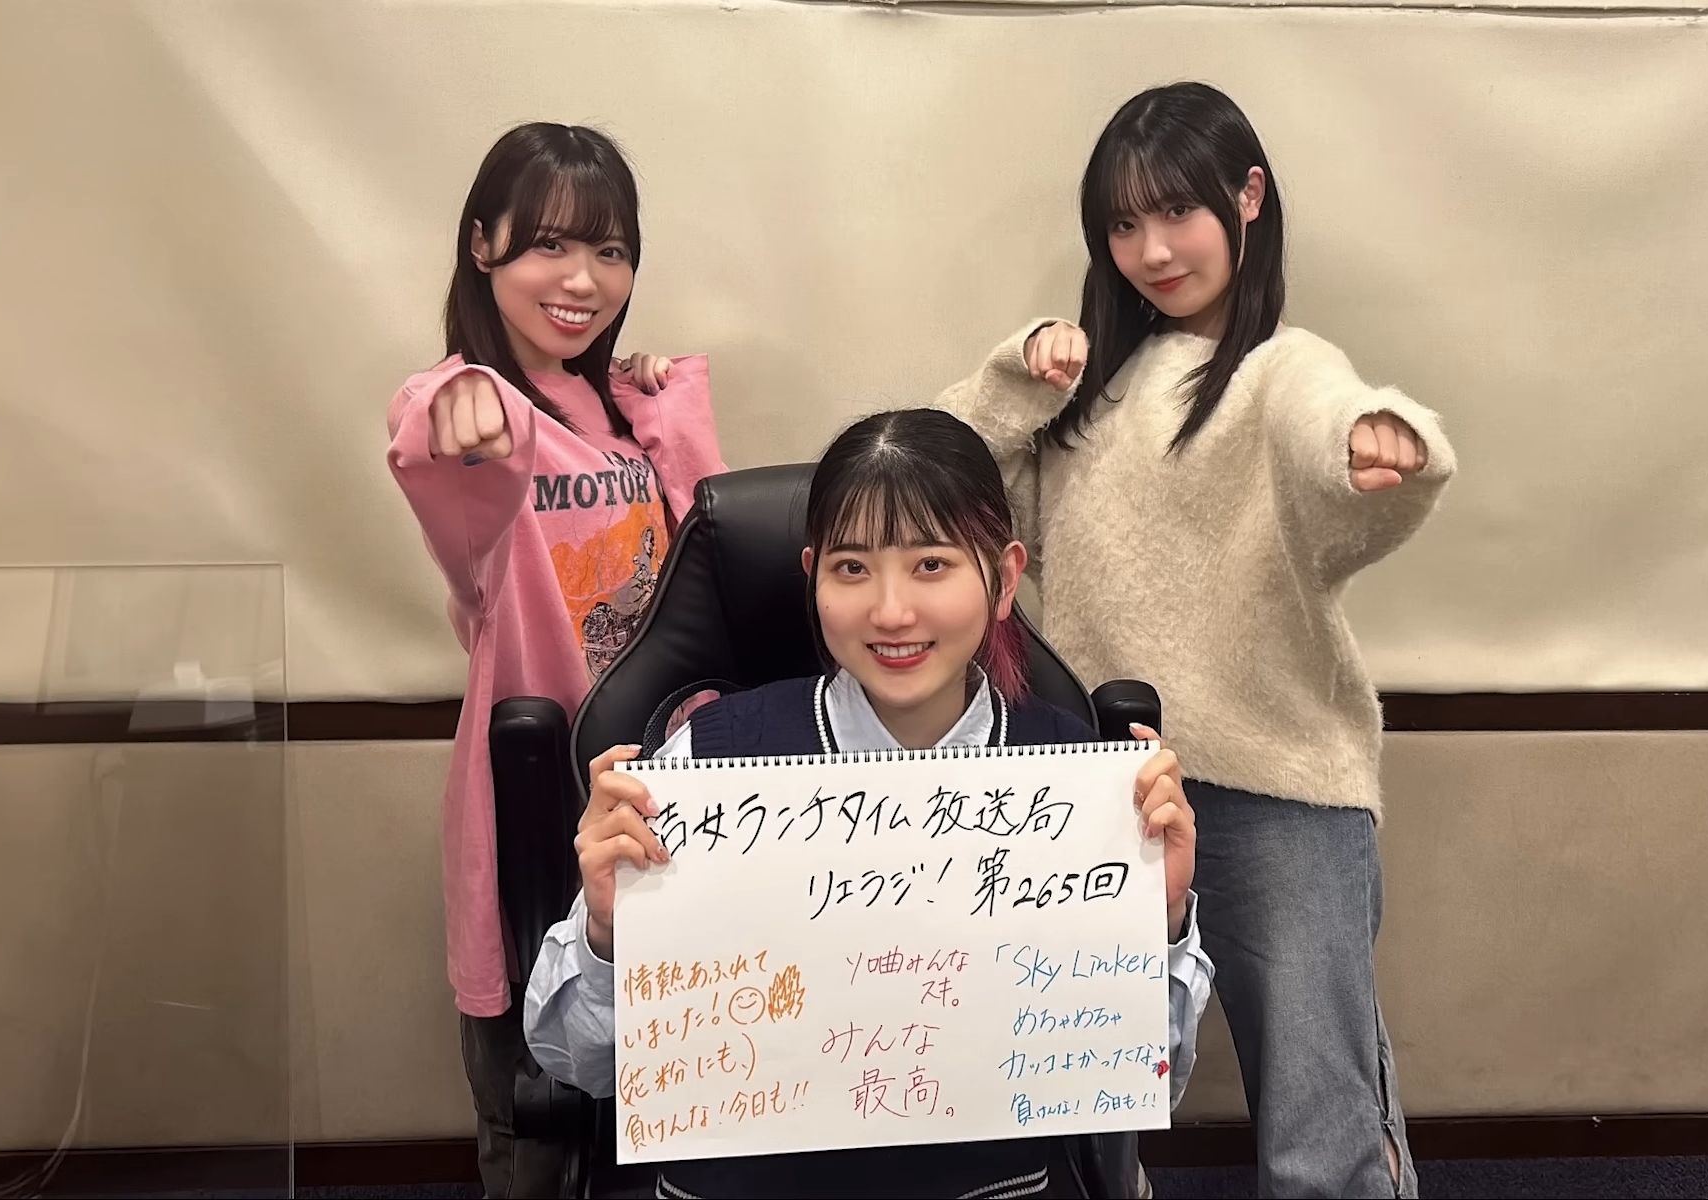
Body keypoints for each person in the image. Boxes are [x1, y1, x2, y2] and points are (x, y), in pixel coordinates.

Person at [940, 82, 1457, 1198]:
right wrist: (1015, 375)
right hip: (1101, 787)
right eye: (1123, 224)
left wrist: (1375, 439)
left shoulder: (1283, 365)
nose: (1152, 251)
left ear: (1247, 196)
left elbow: (1326, 419)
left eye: (1177, 211)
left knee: (1320, 1129)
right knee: (1074, 1092)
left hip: (1275, 787)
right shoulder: (1090, 383)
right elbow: (940, 481)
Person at [524, 408, 1215, 1199]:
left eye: (931, 564)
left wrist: (1160, 920)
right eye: (852, 568)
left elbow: (1139, 1084)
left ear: (1004, 579)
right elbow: (581, 1067)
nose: (890, 611)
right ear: (813, 576)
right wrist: (609, 932)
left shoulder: (1072, 780)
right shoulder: (708, 760)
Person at [385, 120, 727, 1197]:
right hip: (538, 805)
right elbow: (432, 437)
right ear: (481, 243)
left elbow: (715, 549)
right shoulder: (476, 415)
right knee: (534, 1116)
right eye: (549, 244)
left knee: (685, 1090)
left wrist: (665, 407)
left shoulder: (617, 409)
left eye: (610, 251)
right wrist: (459, 399)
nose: (584, 280)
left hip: (659, 795)